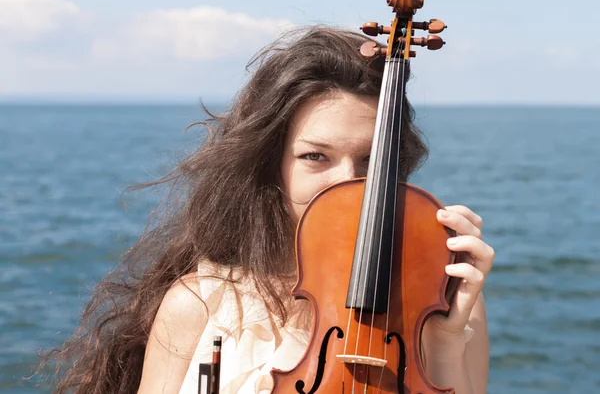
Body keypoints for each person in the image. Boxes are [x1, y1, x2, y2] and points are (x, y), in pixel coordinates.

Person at [42, 27, 494, 394]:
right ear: (273, 166)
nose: (347, 183)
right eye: (315, 156)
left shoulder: (443, 307)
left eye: (372, 162)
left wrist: (445, 341)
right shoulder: (201, 304)